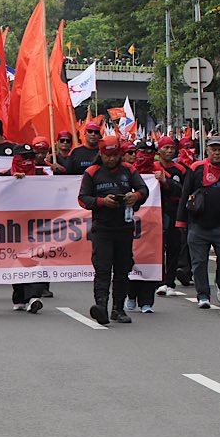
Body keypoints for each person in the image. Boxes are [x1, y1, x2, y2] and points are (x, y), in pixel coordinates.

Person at [78, 135, 149, 325]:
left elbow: (144, 189)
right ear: (100, 154)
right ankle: (101, 306)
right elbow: (83, 198)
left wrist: (135, 196)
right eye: (107, 155)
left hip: (124, 228)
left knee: (122, 269)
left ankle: (118, 309)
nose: (111, 159)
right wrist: (102, 202)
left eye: (115, 155)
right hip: (102, 229)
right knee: (102, 269)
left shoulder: (129, 170)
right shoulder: (92, 172)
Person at [175, 136, 220, 308]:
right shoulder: (196, 168)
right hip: (197, 225)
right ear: (207, 150)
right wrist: (181, 221)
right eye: (213, 149)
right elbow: (185, 193)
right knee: (199, 261)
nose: (217, 152)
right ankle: (203, 295)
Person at [0, 144, 48, 313]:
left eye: (30, 157)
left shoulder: (42, 174)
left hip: (37, 226)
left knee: (36, 259)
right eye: (23, 157)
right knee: (17, 260)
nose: (27, 161)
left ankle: (34, 296)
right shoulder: (4, 175)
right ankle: (20, 296)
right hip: (13, 226)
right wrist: (11, 182)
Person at [124, 140, 163, 313]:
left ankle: (147, 301)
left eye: (149, 151)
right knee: (129, 259)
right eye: (137, 152)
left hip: (153, 225)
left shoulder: (159, 172)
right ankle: (131, 295)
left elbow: (178, 191)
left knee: (150, 259)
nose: (139, 156)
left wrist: (164, 181)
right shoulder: (124, 173)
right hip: (128, 225)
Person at [154, 136, 189, 296]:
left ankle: (170, 281)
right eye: (165, 148)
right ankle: (159, 280)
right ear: (159, 150)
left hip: (174, 210)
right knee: (157, 247)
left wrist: (166, 182)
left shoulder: (180, 169)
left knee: (174, 246)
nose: (168, 151)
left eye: (171, 148)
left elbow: (184, 190)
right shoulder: (152, 167)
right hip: (155, 211)